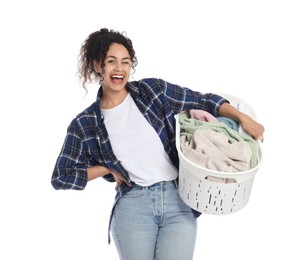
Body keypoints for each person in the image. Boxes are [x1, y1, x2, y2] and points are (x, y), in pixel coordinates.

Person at [51, 28, 265, 260]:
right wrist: (108, 168)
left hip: (178, 199)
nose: (119, 69)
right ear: (96, 65)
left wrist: (243, 118)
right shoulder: (85, 123)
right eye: (111, 61)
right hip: (133, 206)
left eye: (125, 62)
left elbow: (202, 100)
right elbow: (61, 177)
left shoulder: (152, 92)